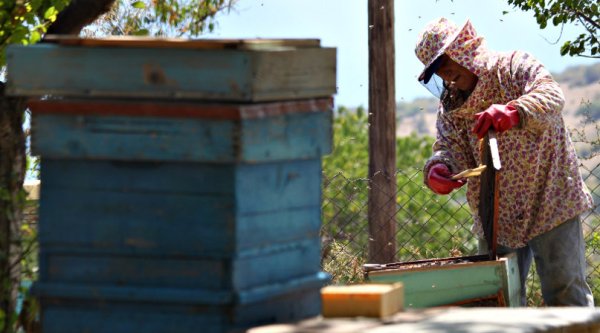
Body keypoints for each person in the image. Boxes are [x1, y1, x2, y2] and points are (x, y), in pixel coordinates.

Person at [415, 17, 595, 306]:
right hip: (497, 212)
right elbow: (449, 148)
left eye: (446, 60)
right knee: (498, 301)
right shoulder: (451, 107)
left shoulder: (514, 66)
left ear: (465, 48)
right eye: (437, 68)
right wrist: (439, 168)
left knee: (566, 294)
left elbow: (552, 96)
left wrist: (514, 112)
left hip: (552, 197)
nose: (445, 72)